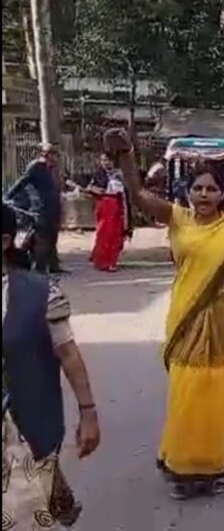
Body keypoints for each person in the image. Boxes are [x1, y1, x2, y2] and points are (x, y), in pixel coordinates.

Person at [107, 129, 224, 500]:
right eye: (198, 189)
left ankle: (217, 465)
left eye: (211, 189)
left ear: (222, 193)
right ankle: (181, 464)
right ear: (188, 193)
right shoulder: (178, 218)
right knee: (188, 390)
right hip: (186, 315)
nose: (204, 195)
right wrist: (126, 157)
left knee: (222, 387)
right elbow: (141, 196)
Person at [2, 203, 101, 529]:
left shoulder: (40, 294)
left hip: (25, 429)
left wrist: (88, 414)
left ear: (5, 241)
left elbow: (68, 354)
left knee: (20, 517)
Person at [6, 145, 64, 273]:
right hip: (41, 207)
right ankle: (40, 268)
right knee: (42, 238)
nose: (56, 159)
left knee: (52, 236)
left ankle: (54, 266)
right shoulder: (36, 167)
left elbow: (57, 186)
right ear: (47, 155)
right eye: (54, 155)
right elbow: (22, 182)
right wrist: (8, 196)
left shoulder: (52, 169)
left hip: (54, 207)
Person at [85, 151, 130, 272]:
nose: (105, 163)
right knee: (103, 234)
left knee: (115, 235)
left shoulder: (119, 174)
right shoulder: (98, 174)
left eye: (107, 160)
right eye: (103, 160)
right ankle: (101, 261)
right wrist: (98, 190)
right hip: (104, 204)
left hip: (118, 204)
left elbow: (126, 191)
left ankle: (112, 262)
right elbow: (89, 187)